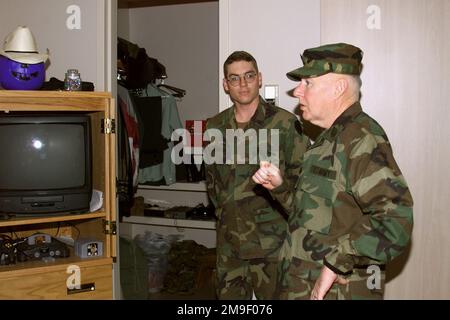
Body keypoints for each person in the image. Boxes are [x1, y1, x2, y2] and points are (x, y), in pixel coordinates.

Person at [252, 43, 414, 300]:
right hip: (302, 285)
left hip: (337, 291)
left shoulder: (361, 139)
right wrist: (281, 187)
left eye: (308, 83)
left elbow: (395, 223)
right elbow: (315, 217)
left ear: (339, 88)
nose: (297, 92)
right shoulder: (328, 138)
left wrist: (337, 260)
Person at [205, 51, 309, 299]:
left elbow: (301, 181)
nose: (243, 84)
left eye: (249, 76)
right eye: (235, 78)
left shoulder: (284, 123)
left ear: (259, 79)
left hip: (271, 245)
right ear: (225, 85)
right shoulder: (214, 127)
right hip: (229, 245)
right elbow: (212, 182)